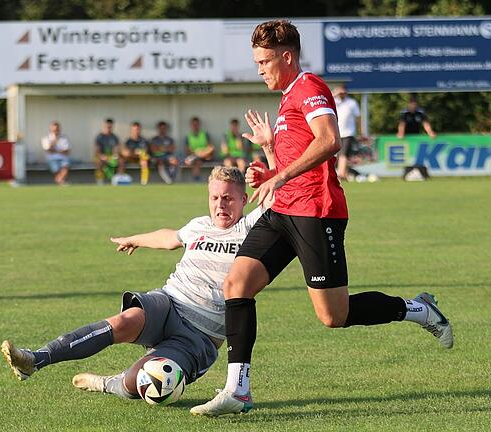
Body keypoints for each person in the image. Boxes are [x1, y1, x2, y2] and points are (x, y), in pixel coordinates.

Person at [191, 20, 454, 417]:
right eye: (257, 61)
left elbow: (329, 141)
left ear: (287, 56)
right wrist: (270, 164)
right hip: (282, 209)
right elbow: (295, 158)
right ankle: (237, 390)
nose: (259, 69)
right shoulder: (285, 98)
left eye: (264, 61)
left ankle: (418, 309)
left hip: (317, 213)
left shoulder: (310, 87)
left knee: (334, 315)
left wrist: (279, 174)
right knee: (237, 283)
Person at [1, 167, 271, 403]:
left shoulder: (251, 228)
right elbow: (169, 238)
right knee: (124, 321)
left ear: (244, 199)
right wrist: (136, 239)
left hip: (198, 338)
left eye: (228, 198)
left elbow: (279, 195)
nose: (220, 205)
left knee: (140, 381)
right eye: (214, 198)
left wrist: (270, 149)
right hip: (169, 304)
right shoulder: (198, 225)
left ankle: (108, 383)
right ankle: (35, 359)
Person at [332, 85, 362, 181]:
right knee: (338, 155)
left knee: (343, 154)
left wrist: (360, 131)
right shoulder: (335, 102)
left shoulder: (352, 103)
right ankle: (344, 173)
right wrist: (334, 94)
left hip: (348, 133)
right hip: (336, 132)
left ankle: (340, 174)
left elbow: (358, 118)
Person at [184, 116, 215, 182]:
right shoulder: (188, 136)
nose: (195, 126)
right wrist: (196, 153)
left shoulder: (205, 134)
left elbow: (211, 148)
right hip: (195, 157)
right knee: (196, 162)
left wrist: (202, 153)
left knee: (199, 159)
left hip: (206, 156)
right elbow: (187, 150)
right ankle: (197, 181)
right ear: (191, 125)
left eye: (196, 124)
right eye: (194, 124)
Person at [41, 121, 71, 186]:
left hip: (63, 157)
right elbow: (48, 150)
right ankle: (61, 182)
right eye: (54, 130)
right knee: (55, 168)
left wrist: (56, 151)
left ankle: (59, 181)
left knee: (65, 165)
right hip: (51, 158)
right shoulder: (46, 138)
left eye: (57, 129)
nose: (56, 131)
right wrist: (55, 140)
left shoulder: (64, 138)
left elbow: (67, 150)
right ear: (51, 129)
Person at [94, 118, 120, 185]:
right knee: (98, 161)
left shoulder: (115, 137)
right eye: (107, 127)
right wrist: (102, 156)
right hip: (101, 157)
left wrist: (115, 156)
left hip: (111, 157)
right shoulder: (99, 137)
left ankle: (117, 180)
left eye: (110, 127)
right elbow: (97, 150)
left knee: (121, 161)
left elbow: (116, 150)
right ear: (104, 126)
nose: (108, 128)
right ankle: (100, 180)